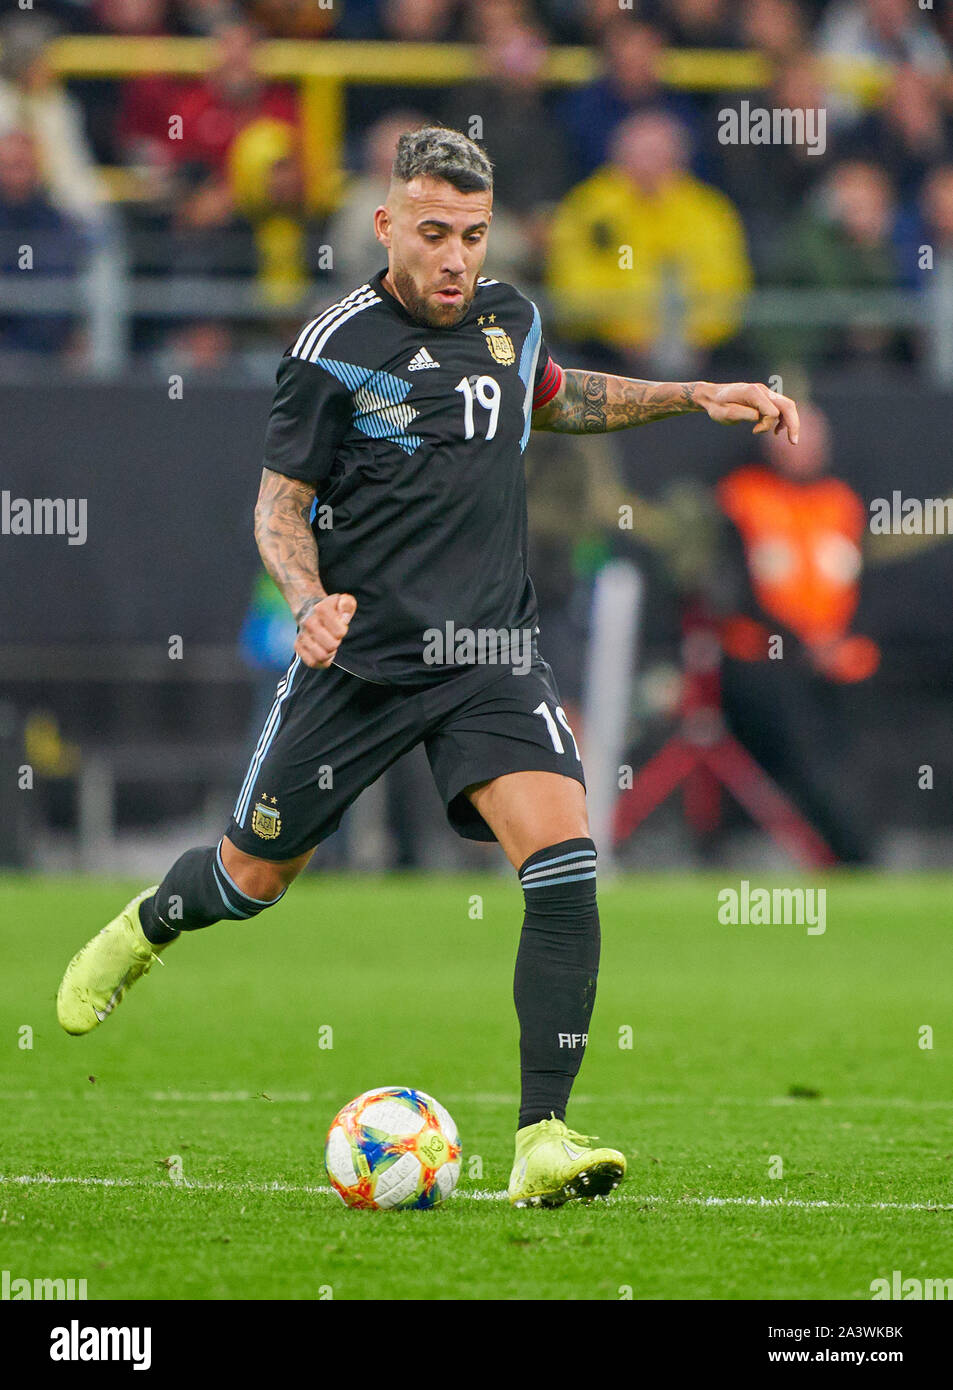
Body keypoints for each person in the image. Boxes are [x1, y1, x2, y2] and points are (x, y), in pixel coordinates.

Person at [56, 125, 799, 1209]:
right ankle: (149, 924)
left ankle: (541, 1134)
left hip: (488, 655)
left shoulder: (507, 317)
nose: (456, 257)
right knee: (248, 879)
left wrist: (693, 395)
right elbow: (277, 506)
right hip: (357, 663)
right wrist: (308, 605)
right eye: (435, 233)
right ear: (386, 225)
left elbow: (552, 395)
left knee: (563, 864)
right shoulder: (329, 348)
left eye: (474, 236)